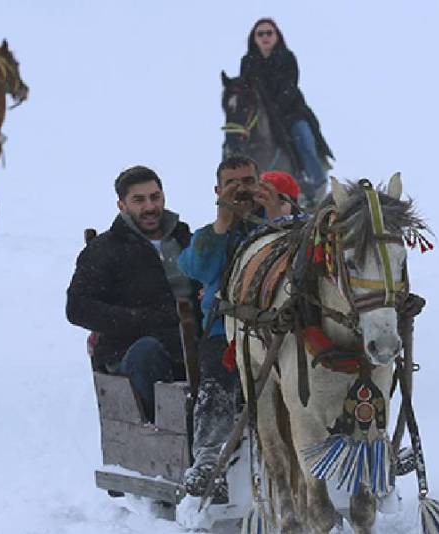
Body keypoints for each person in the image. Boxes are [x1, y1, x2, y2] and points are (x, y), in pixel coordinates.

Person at [178, 155, 286, 502]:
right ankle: (209, 458)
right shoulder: (209, 237)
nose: (241, 189)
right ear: (218, 190)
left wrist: (276, 219)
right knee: (217, 380)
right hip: (225, 333)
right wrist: (222, 225)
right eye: (232, 183)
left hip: (281, 330)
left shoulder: (279, 227)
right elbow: (195, 267)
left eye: (248, 181)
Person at [66, 166, 196, 418]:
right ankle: (164, 427)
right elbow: (78, 307)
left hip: (191, 343)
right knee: (147, 352)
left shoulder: (185, 240)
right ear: (122, 205)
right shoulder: (105, 250)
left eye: (155, 197)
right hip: (131, 349)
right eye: (139, 200)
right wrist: (140, 319)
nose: (149, 206)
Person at [239, 18, 334, 206]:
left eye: (269, 33)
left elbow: (290, 86)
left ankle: (316, 183)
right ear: (254, 38)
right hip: (262, 116)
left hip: (291, 112)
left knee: (303, 138)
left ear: (276, 36)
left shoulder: (287, 57)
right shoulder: (248, 62)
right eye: (261, 33)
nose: (265, 37)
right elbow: (246, 91)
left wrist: (275, 107)